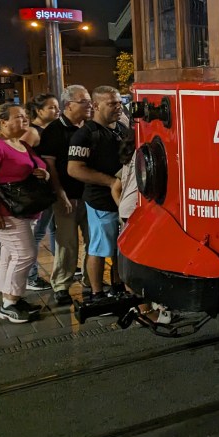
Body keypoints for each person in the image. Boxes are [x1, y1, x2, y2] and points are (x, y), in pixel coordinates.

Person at [67, 86, 130, 302]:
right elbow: (74, 169)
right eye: (112, 103)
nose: (118, 107)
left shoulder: (121, 128)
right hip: (100, 201)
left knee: (120, 248)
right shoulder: (84, 135)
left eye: (119, 103)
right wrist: (111, 182)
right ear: (96, 106)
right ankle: (96, 293)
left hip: (123, 201)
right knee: (99, 247)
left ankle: (118, 286)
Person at [0, 103, 50, 323]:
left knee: (11, 254)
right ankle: (10, 303)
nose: (24, 121)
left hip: (23, 210)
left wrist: (42, 172)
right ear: (3, 122)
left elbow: (37, 165)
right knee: (25, 254)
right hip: (6, 212)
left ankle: (9, 301)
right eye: (18, 117)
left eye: (25, 117)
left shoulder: (21, 143)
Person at [37, 85, 93, 306]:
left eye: (89, 100)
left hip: (90, 195)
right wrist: (60, 194)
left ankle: (91, 280)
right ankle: (61, 284)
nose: (89, 105)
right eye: (84, 101)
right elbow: (50, 166)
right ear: (68, 105)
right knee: (67, 243)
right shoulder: (54, 131)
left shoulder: (89, 127)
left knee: (93, 242)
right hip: (67, 197)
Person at [21, 92, 61, 291]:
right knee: (37, 234)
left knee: (54, 229)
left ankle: (58, 266)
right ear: (39, 111)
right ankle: (31, 276)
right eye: (51, 107)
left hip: (50, 187)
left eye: (56, 106)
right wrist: (34, 170)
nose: (56, 110)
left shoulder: (50, 129)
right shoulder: (34, 132)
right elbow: (18, 153)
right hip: (40, 190)